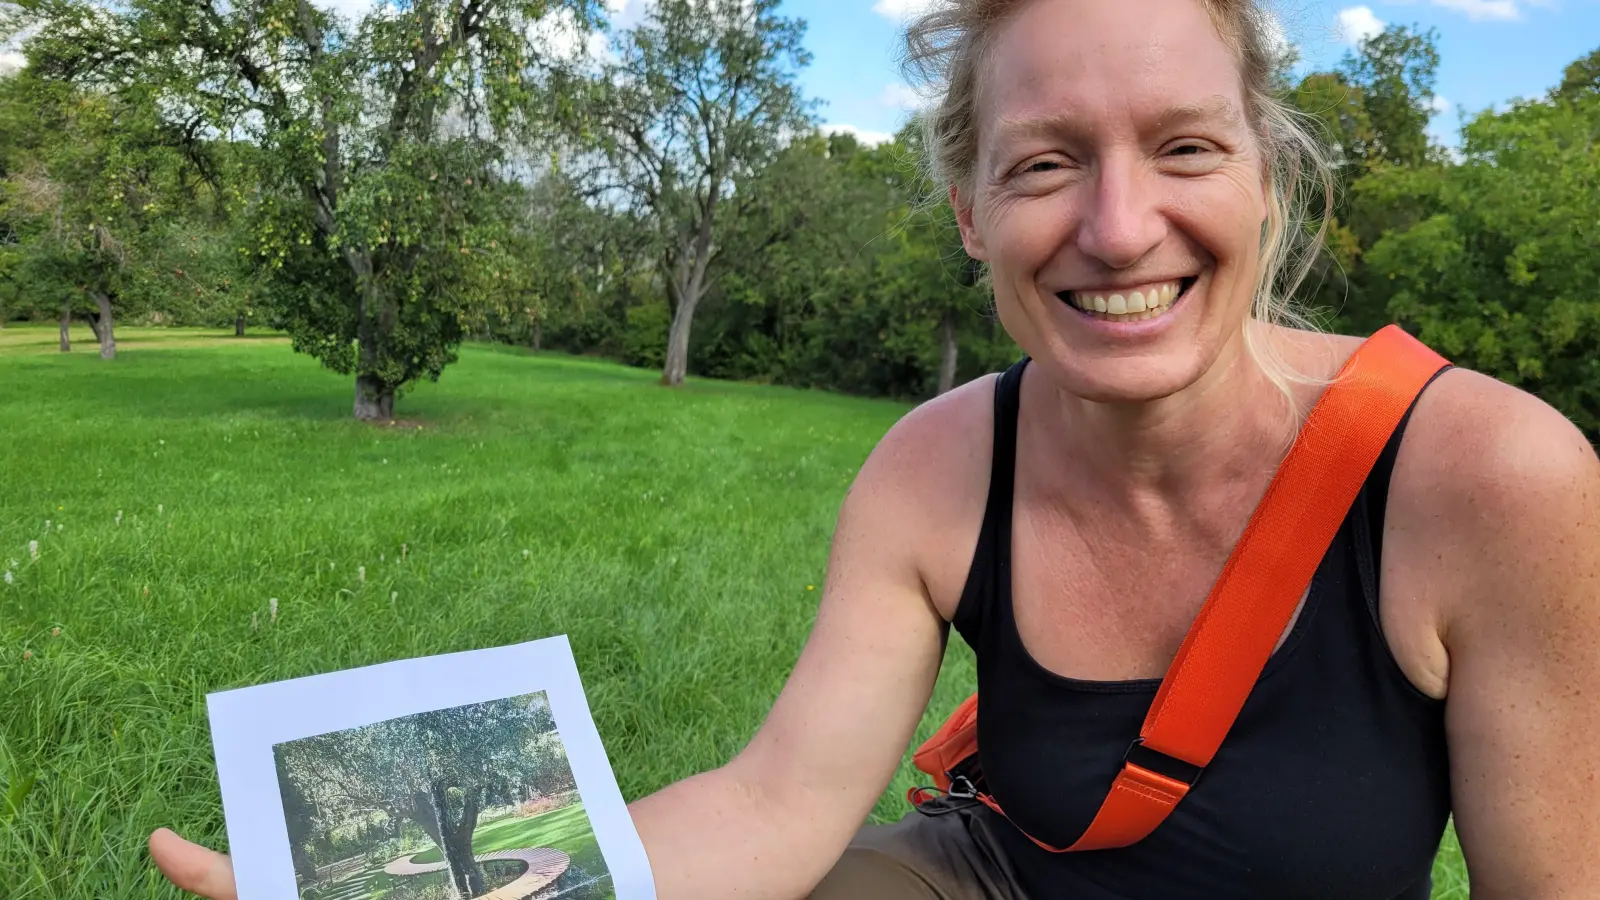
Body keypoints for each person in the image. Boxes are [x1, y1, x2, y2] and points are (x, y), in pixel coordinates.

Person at [148, 0, 1600, 896]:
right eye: (1044, 162)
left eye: (1184, 148)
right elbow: (776, 802)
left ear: (1265, 181)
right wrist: (429, 893)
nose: (1116, 228)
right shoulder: (937, 464)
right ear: (973, 214)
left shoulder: (1489, 479)